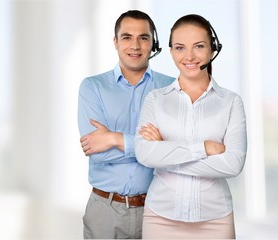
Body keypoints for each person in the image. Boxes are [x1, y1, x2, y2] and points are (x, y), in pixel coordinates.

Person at [135, 14, 247, 239]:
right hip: (161, 217)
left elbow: (233, 164)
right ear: (171, 52)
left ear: (212, 49)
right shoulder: (155, 99)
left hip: (215, 219)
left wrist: (166, 151)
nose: (189, 56)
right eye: (179, 47)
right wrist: (204, 147)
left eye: (199, 46)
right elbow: (145, 154)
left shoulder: (231, 102)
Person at [77, 10, 174, 239]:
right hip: (105, 212)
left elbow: (174, 152)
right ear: (115, 42)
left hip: (159, 210)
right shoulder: (92, 87)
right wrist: (153, 146)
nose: (135, 45)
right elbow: (97, 153)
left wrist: (114, 139)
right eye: (127, 37)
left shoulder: (171, 88)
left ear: (153, 43)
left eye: (143, 37)